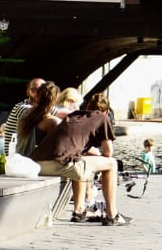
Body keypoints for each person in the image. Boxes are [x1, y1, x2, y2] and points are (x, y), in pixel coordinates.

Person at [33, 94, 127, 225]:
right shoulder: (102, 117)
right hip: (59, 164)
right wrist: (98, 152)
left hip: (38, 164)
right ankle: (112, 215)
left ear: (87, 107)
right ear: (106, 111)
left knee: (80, 160)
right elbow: (108, 152)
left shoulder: (73, 115)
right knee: (112, 164)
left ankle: (79, 211)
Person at [3, 78, 48, 156]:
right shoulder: (20, 107)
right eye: (34, 89)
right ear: (27, 92)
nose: (38, 92)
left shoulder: (46, 109)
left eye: (42, 90)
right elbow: (41, 114)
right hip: (17, 159)